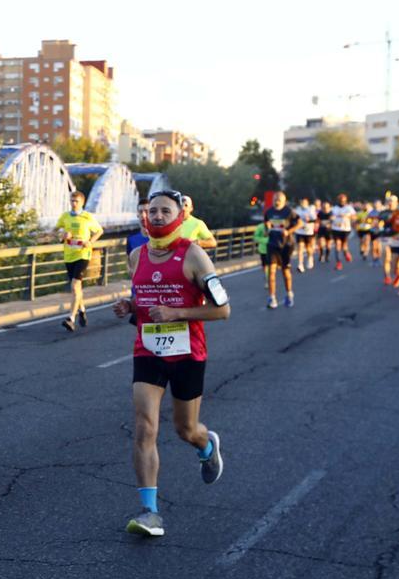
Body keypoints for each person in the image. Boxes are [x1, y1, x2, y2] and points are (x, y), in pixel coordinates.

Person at [112, 189, 230, 537]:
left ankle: (206, 446)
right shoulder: (136, 256)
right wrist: (130, 309)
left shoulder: (193, 255)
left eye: (166, 211)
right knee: (145, 427)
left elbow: (223, 309)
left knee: (184, 429)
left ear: (180, 216)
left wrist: (178, 311)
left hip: (188, 354)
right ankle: (150, 513)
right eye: (153, 211)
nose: (158, 216)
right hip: (147, 351)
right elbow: (144, 301)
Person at [55, 191, 104, 332]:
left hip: (83, 255)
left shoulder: (87, 217)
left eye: (76, 201)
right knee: (75, 288)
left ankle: (71, 318)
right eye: (72, 200)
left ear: (82, 202)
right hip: (69, 255)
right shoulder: (65, 216)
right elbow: (54, 231)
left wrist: (90, 242)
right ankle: (82, 309)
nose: (73, 203)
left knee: (75, 285)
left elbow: (100, 231)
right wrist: (62, 235)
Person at [264, 192, 300, 309]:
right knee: (272, 272)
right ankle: (272, 297)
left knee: (285, 272)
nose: (277, 201)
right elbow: (266, 229)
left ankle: (289, 294)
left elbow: (300, 223)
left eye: (279, 199)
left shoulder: (289, 211)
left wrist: (288, 231)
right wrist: (267, 229)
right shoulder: (268, 212)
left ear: (284, 200)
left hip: (286, 245)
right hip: (272, 244)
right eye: (275, 199)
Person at [329, 194, 355, 270]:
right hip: (336, 229)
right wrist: (332, 218)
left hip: (345, 229)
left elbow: (354, 216)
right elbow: (330, 217)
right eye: (341, 200)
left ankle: (346, 253)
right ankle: (339, 263)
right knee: (337, 244)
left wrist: (347, 216)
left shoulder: (349, 208)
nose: (342, 202)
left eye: (343, 201)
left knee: (344, 246)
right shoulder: (334, 208)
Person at [293, 197, 318, 272]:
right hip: (299, 231)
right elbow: (294, 219)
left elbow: (315, 219)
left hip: (308, 231)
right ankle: (300, 264)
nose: (302, 204)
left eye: (304, 202)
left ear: (307, 203)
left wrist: (309, 220)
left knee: (308, 248)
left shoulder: (311, 209)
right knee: (300, 247)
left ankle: (310, 257)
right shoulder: (298, 210)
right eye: (301, 202)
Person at [253, 220, 270, 289]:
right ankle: (267, 280)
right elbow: (255, 237)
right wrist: (265, 240)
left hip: (274, 249)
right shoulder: (260, 227)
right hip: (263, 250)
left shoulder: (275, 226)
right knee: (265, 266)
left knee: (272, 266)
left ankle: (270, 279)